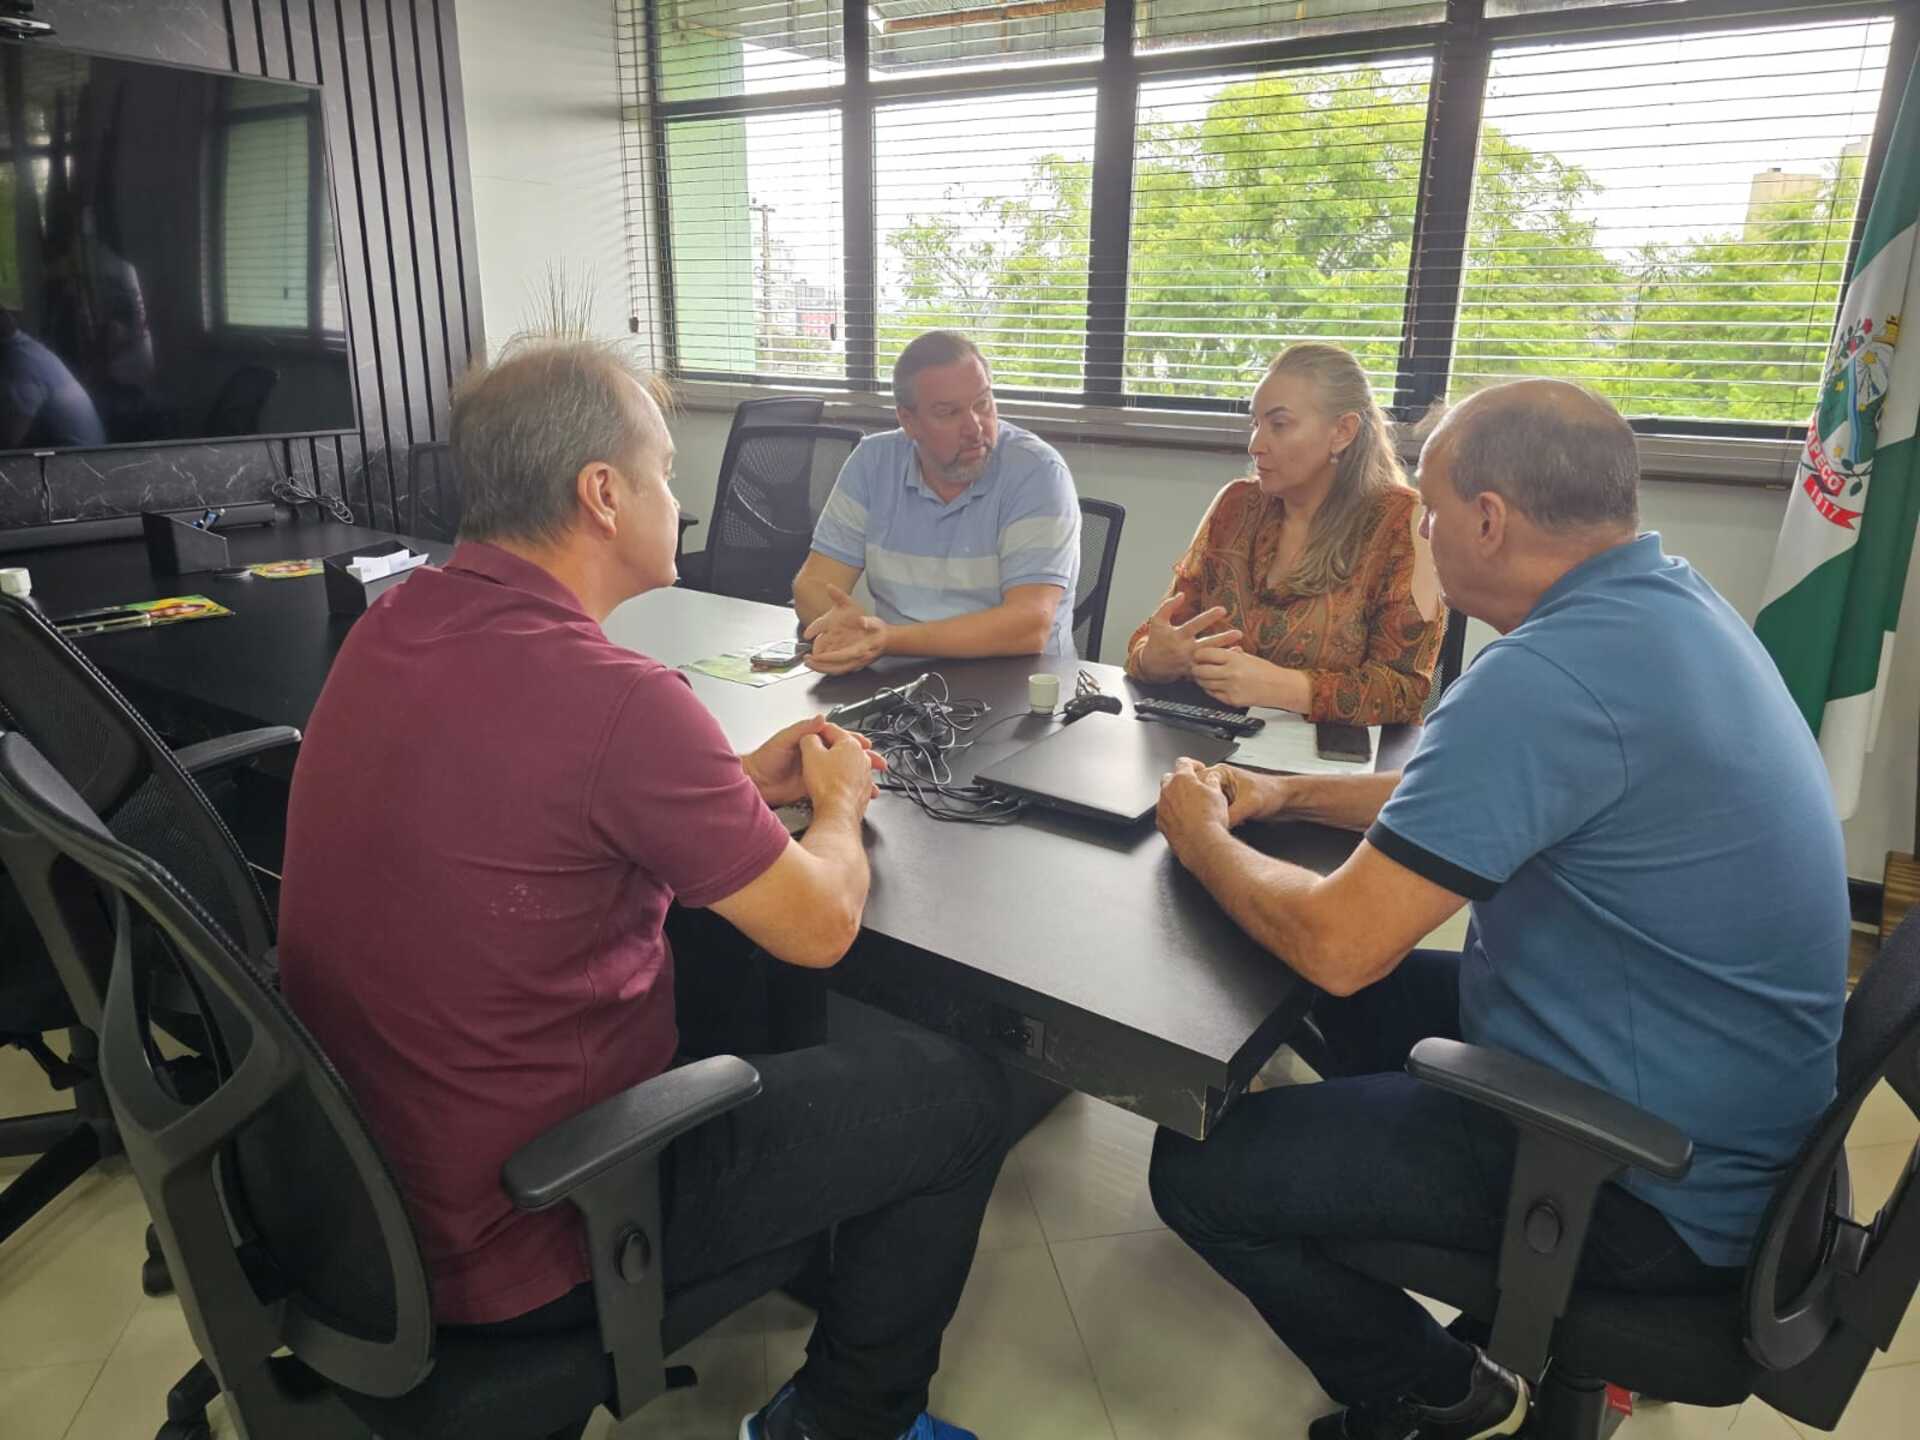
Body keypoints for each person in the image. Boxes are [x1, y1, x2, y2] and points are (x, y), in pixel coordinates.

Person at [278, 337, 1011, 1440]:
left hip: (359, 1185)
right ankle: (843, 1421)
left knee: (716, 962)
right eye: (665, 471)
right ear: (603, 494)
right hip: (536, 1217)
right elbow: (821, 925)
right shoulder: (618, 701)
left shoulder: (392, 626)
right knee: (960, 1098)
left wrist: (730, 782)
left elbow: (537, 800)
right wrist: (840, 803)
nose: (679, 496)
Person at [1146, 379, 1848, 1440]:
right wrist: (1289, 797)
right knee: (1309, 1000)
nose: (1420, 533)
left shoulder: (1546, 674)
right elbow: (1485, 788)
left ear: (1488, 520)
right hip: (1710, 1103)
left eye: (1429, 512)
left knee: (1197, 1168)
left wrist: (1200, 835)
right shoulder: (1663, 604)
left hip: (1646, 1181)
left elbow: (1338, 944)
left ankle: (1438, 1390)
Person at [1126, 343, 1444, 724]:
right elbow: (1158, 635)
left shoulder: (1404, 522)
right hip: (1211, 736)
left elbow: (1404, 692)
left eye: (1278, 425)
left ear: (1343, 431)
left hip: (1328, 755)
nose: (1255, 445)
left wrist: (1282, 688)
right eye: (1255, 424)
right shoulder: (1235, 504)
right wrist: (1153, 658)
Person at [793, 330, 1081, 673]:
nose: (975, 428)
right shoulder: (873, 462)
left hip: (1018, 685)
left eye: (982, 404)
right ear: (908, 421)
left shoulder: (1037, 471)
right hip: (900, 679)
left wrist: (888, 640)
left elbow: (1029, 625)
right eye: (949, 413)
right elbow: (813, 584)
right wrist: (847, 629)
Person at [0, 308, 107, 450]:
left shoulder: (20, 361)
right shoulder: (26, 350)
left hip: (78, 460)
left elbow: (8, 440)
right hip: (71, 455)